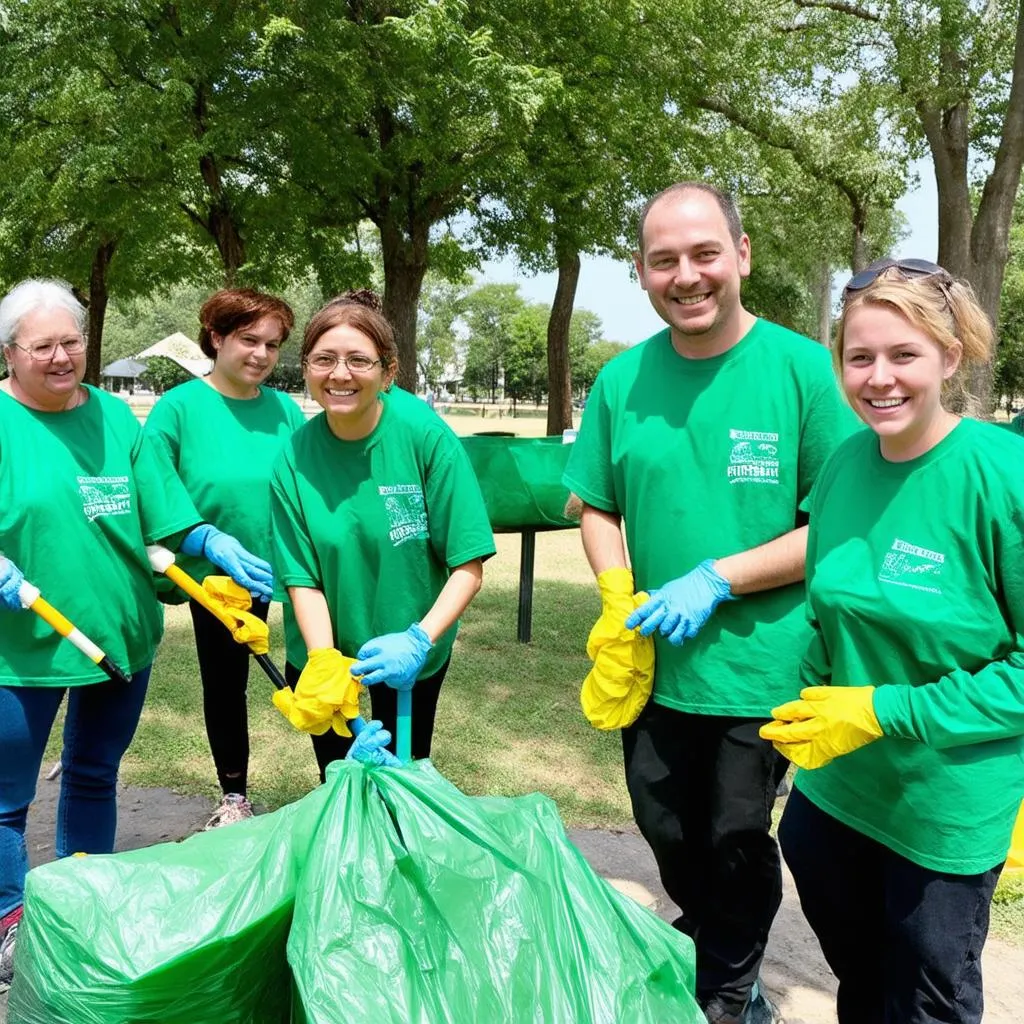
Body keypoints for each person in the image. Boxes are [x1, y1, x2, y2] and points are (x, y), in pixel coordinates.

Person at [563, 182, 855, 1024]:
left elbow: (834, 526)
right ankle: (709, 941)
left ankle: (730, 991)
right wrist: (619, 594)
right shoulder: (622, 380)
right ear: (643, 272)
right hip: (652, 662)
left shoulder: (805, 371)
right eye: (664, 261)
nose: (686, 276)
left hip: (759, 666)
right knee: (663, 826)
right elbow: (599, 504)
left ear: (743, 255)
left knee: (734, 840)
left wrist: (718, 577)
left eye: (704, 254)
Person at [760, 259, 1024, 1024]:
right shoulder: (844, 464)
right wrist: (807, 702)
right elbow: (830, 606)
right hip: (834, 796)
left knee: (925, 1004)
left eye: (903, 355)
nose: (879, 378)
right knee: (864, 988)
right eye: (859, 356)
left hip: (938, 815)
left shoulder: (1003, 477)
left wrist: (883, 710)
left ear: (950, 353)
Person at [0, 279, 273, 992]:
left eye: (73, 342)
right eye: (44, 346)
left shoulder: (119, 420)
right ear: (9, 353)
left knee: (94, 774)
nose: (63, 358)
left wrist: (206, 539)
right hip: (20, 652)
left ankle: (84, 907)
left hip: (121, 639)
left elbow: (164, 512)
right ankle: (10, 924)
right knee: (6, 799)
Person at [270, 291, 495, 779]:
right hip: (326, 648)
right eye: (324, 359)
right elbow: (300, 578)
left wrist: (418, 639)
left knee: (403, 786)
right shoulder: (294, 456)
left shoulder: (424, 436)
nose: (340, 374)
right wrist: (325, 660)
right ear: (306, 368)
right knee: (342, 786)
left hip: (409, 649)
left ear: (388, 372)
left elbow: (467, 565)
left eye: (358, 360)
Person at [145, 289, 305, 829]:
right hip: (219, 575)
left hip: (293, 566)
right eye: (248, 340)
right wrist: (203, 538)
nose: (261, 354)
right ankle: (234, 795)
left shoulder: (285, 410)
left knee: (317, 667)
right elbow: (153, 483)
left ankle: (342, 782)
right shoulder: (179, 408)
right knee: (227, 680)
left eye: (272, 344)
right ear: (216, 337)